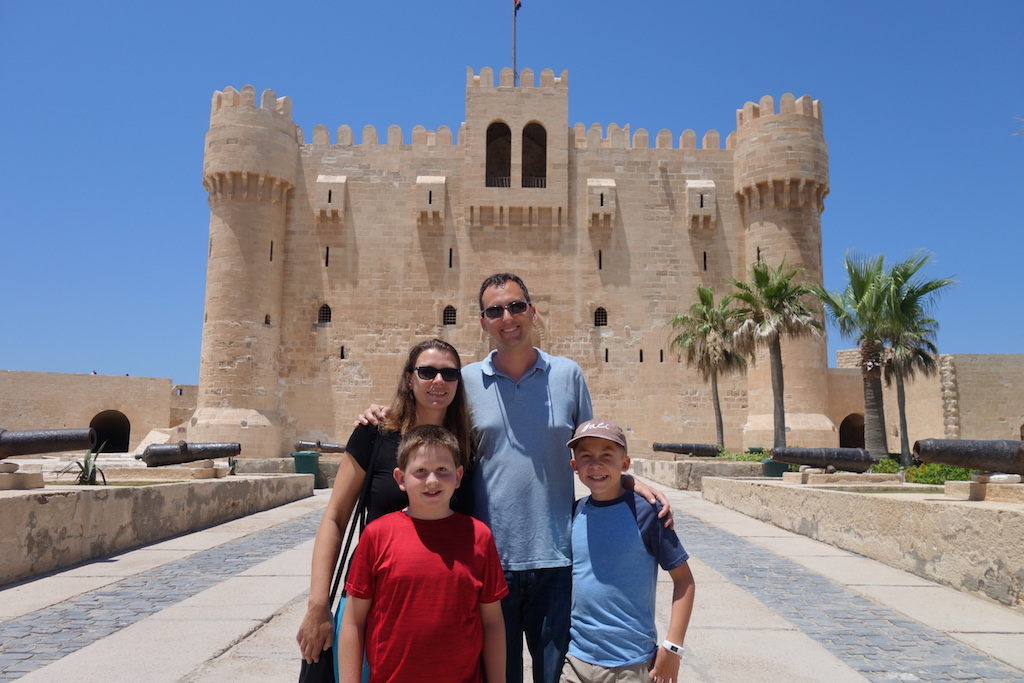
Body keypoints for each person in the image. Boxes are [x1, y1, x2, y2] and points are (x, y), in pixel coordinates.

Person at [360, 273, 672, 683]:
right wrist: (380, 415)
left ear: (532, 311)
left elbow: (593, 450)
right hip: (488, 561)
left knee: (553, 675)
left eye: (516, 306)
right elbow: (431, 421)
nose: (507, 317)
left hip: (558, 561)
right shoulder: (466, 380)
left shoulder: (568, 375)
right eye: (495, 310)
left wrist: (630, 483)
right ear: (482, 322)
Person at [296, 339, 473, 667]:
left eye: (449, 373)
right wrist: (317, 605)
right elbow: (335, 517)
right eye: (427, 371)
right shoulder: (374, 435)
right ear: (409, 378)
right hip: (371, 601)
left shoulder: (467, 445)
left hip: (444, 607)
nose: (438, 380)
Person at [338, 425, 508, 683]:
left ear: (459, 476)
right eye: (420, 471)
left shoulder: (479, 537)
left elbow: (492, 623)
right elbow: (353, 621)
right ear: (401, 478)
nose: (432, 481)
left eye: (442, 470)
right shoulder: (376, 536)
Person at [561, 418, 695, 683]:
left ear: (625, 464)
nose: (596, 464)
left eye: (606, 456)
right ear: (575, 467)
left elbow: (685, 580)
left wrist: (673, 648)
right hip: (577, 661)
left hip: (631, 665)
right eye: (586, 457)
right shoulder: (575, 513)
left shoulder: (647, 513)